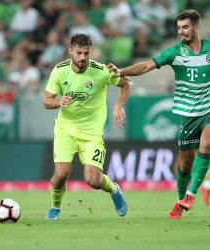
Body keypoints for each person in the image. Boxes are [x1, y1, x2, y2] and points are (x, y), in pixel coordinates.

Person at [108, 9, 210, 219]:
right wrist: (122, 71)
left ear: (196, 27)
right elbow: (147, 65)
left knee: (207, 143)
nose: (181, 32)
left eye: (185, 27)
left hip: (208, 109)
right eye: (179, 28)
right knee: (184, 165)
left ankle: (191, 194)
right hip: (188, 114)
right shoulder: (174, 52)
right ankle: (181, 198)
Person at [43, 33, 133, 220]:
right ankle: (55, 207)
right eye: (78, 53)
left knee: (93, 180)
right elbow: (46, 100)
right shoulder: (59, 71)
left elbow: (127, 84)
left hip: (91, 133)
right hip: (65, 129)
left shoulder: (101, 71)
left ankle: (114, 189)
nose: (83, 57)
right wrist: (59, 101)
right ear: (70, 52)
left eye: (86, 53)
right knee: (61, 174)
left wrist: (118, 104)